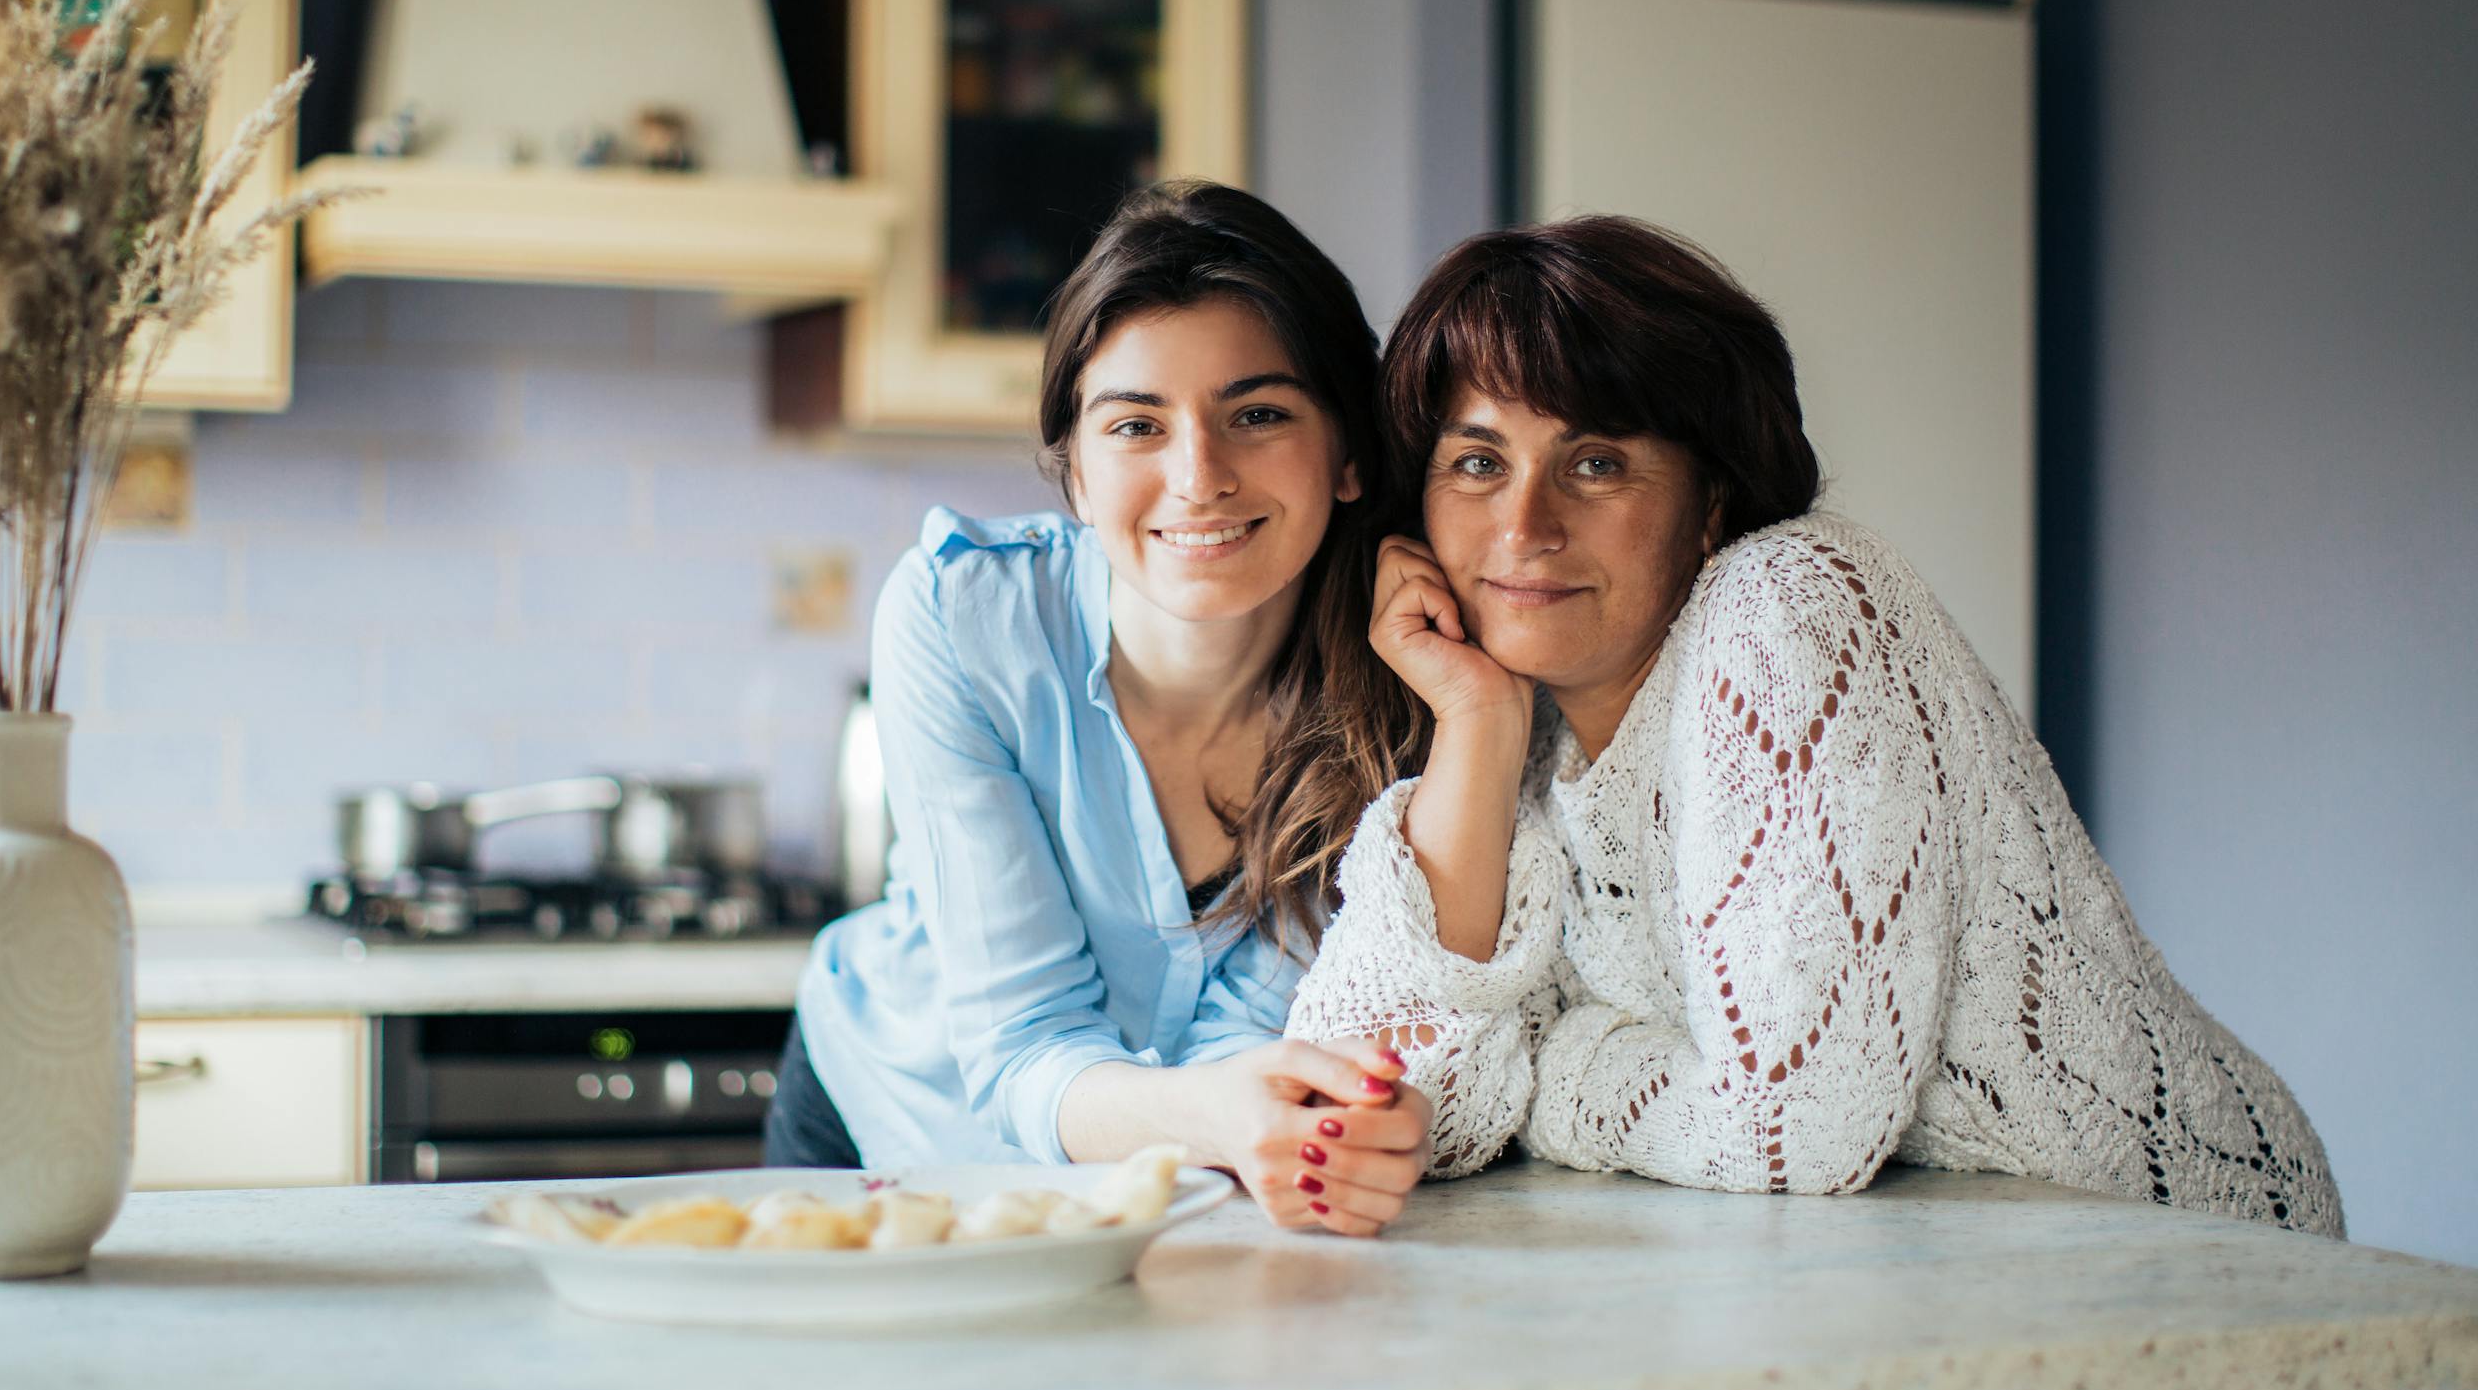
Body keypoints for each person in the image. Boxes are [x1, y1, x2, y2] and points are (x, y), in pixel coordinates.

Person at [1287, 215, 2342, 1237]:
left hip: (2182, 1244)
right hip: (1927, 1275)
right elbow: (1360, 1106)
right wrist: (1473, 725)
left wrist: (1555, 1067)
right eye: (1477, 463)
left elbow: (1795, 1130)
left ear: (1709, 504)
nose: (1524, 525)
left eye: (1596, 461)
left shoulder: (1788, 603)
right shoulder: (1520, 729)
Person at [775, 181, 1433, 1237]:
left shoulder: (1407, 683)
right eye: (1136, 424)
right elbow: (1022, 1040)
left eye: (1257, 413)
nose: (1198, 476)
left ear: (1347, 451)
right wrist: (1221, 1112)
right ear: (1072, 471)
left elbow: (1266, 1047)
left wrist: (1269, 1113)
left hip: (1179, 1177)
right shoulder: (962, 614)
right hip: (897, 1120)